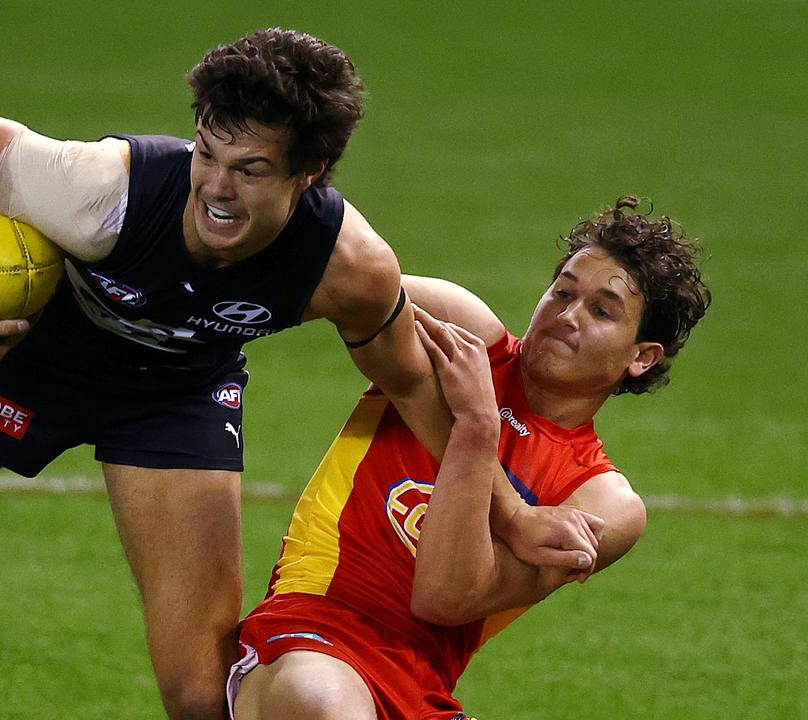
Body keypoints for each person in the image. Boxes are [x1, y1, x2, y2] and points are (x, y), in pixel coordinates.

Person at [0, 29, 602, 720]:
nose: (216, 186)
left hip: (175, 394)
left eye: (251, 170)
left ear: (308, 175)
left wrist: (513, 516)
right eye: (210, 153)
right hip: (30, 358)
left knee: (206, 694)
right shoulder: (99, 190)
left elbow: (416, 387)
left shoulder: (347, 267)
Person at [228, 197, 712, 719]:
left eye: (601, 310)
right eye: (563, 292)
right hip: (312, 630)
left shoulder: (601, 501)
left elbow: (443, 598)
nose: (567, 316)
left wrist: (478, 427)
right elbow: (340, 278)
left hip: (420, 686)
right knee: (320, 701)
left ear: (642, 356)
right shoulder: (465, 332)